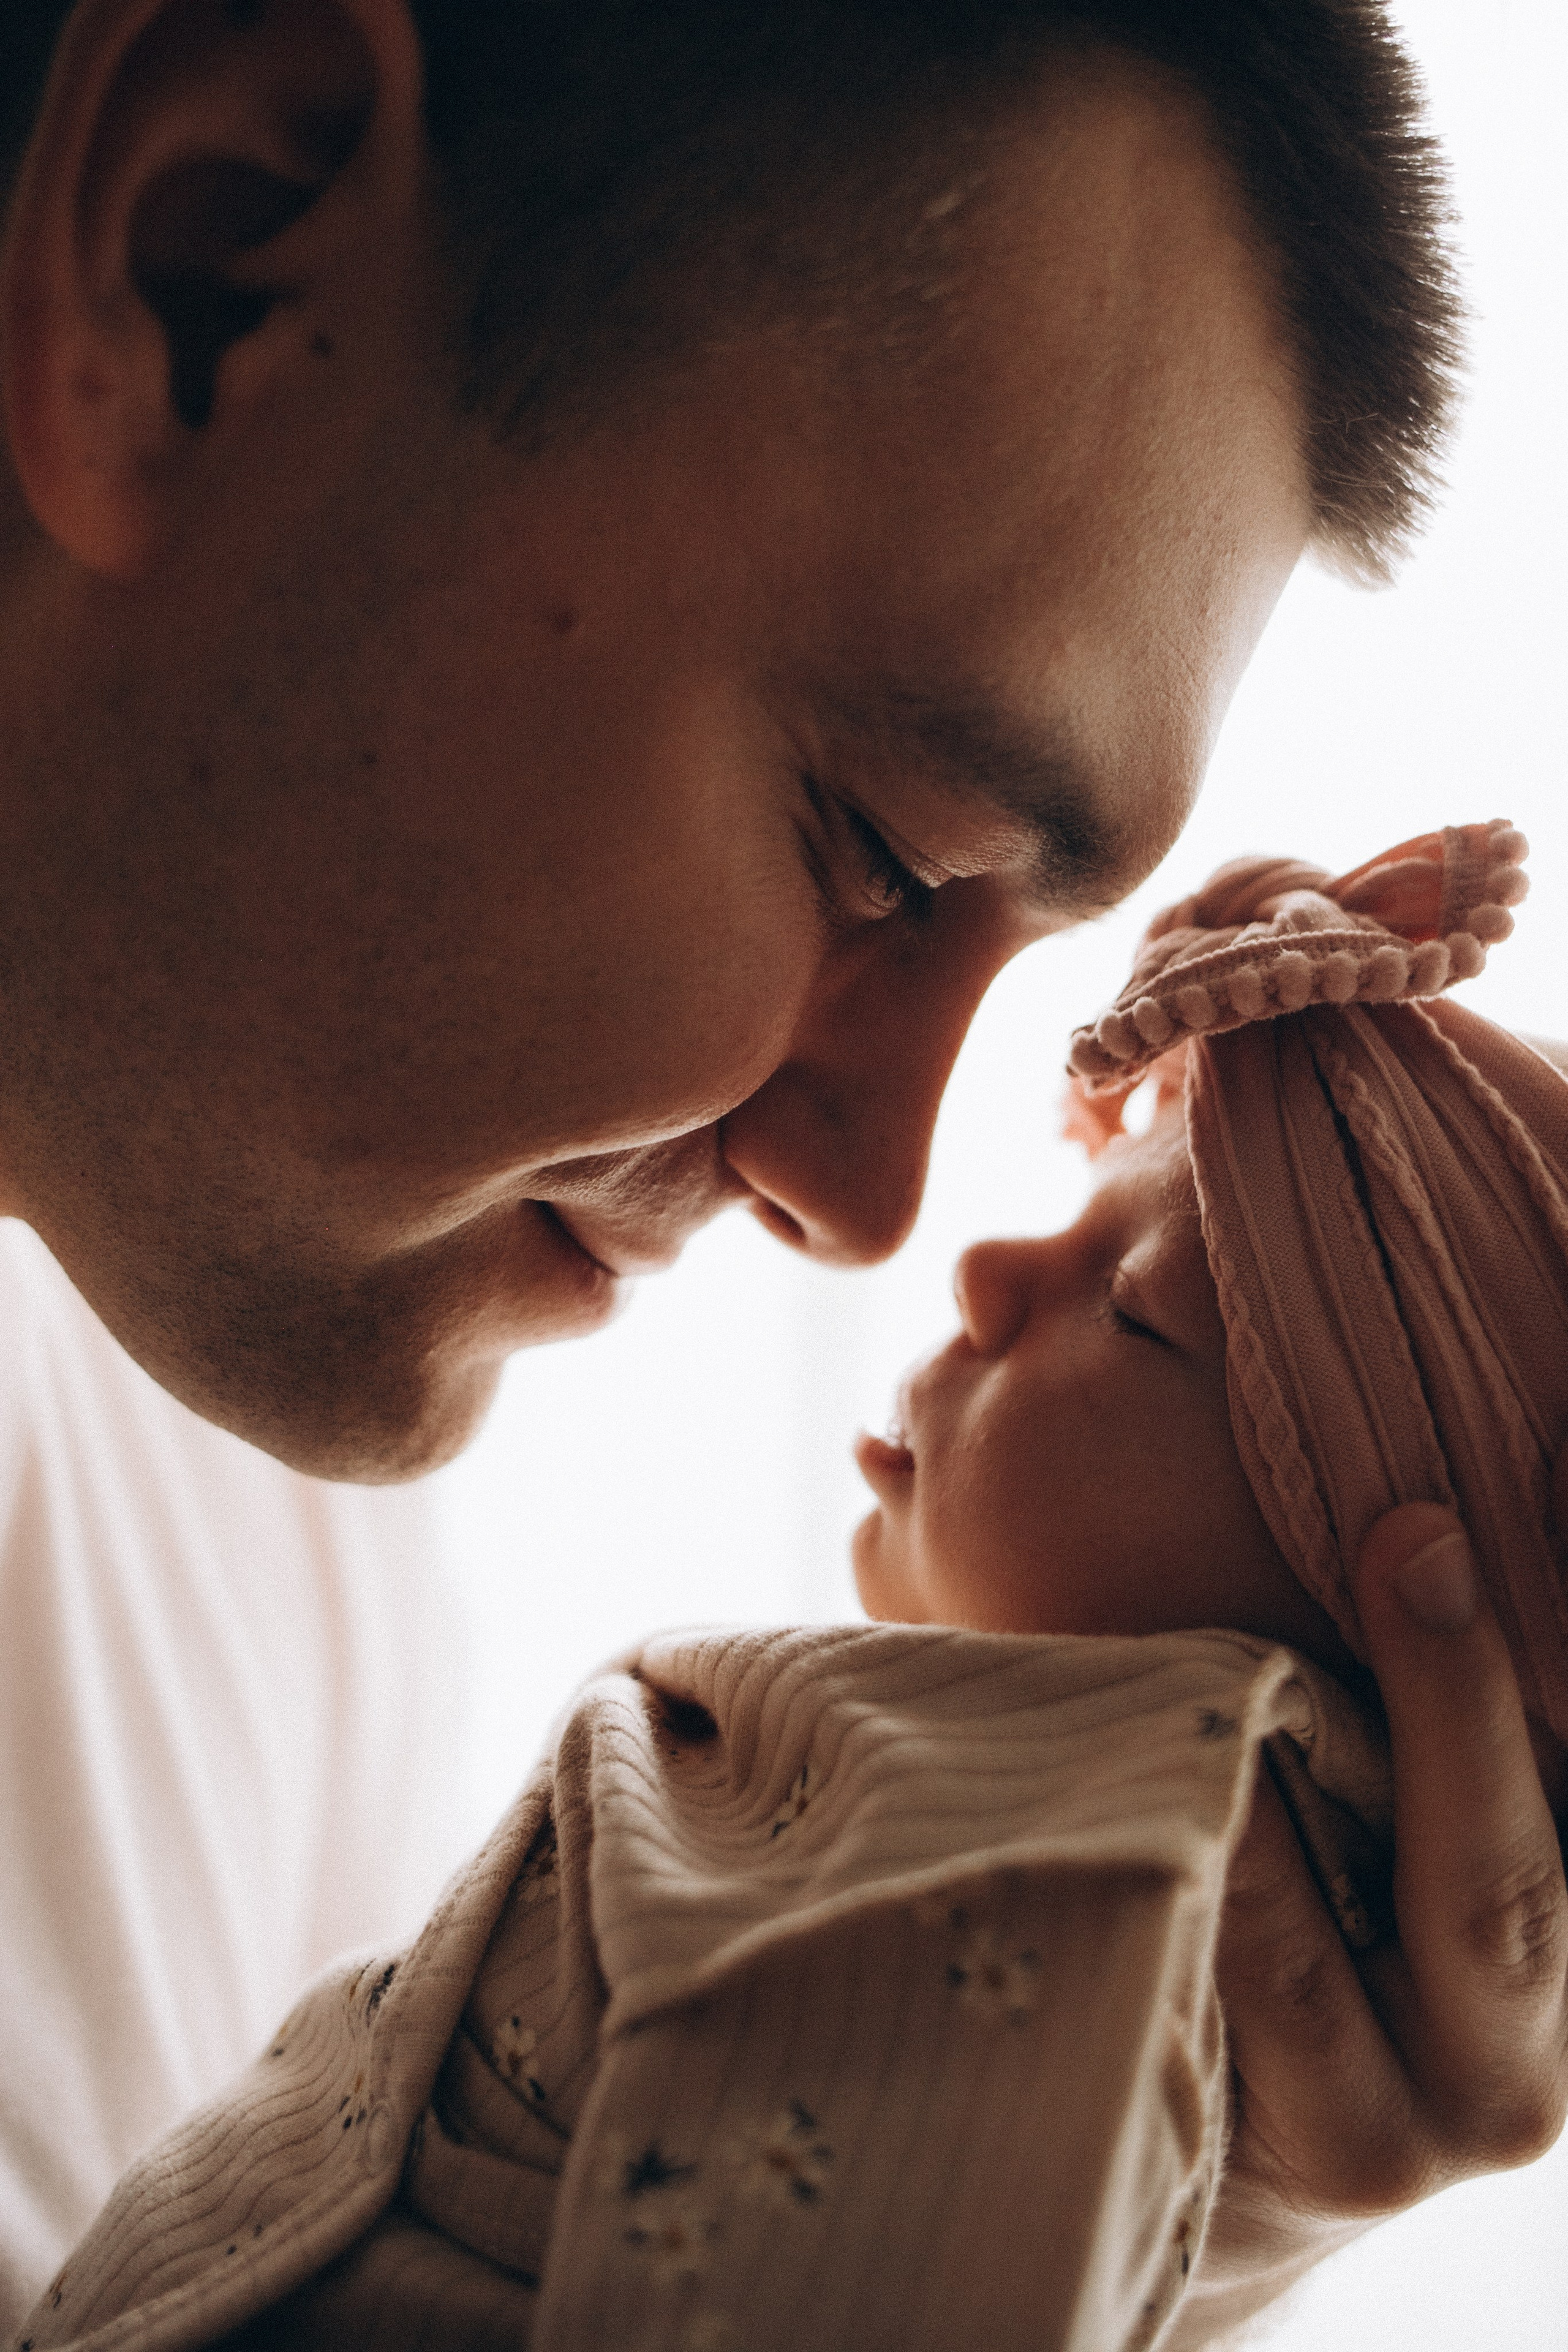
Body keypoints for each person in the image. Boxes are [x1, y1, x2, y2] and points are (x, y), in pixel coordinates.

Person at [1, 0, 1563, 2334]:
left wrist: (1163, 2220)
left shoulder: (270, 1587)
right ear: (206, 279)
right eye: (870, 847)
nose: (873, 1204)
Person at [21, 818, 1566, 2352]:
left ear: (1361, 1636)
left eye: (1136, 1312)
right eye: (868, 850)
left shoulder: (1053, 1882)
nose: (970, 1267)